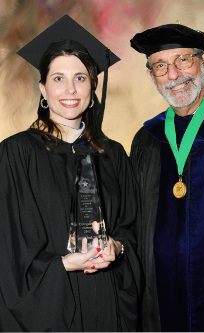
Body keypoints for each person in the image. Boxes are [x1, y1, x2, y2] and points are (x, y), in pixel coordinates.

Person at [0, 15, 142, 332]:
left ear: (92, 88)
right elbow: (7, 252)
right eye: (58, 78)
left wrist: (116, 248)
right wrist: (63, 265)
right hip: (49, 313)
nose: (70, 89)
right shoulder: (16, 155)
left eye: (80, 78)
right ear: (43, 88)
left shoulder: (114, 155)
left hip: (107, 307)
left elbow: (132, 230)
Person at [130, 22, 204, 332]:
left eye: (183, 59)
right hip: (161, 304)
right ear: (150, 75)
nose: (173, 75)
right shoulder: (147, 140)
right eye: (160, 65)